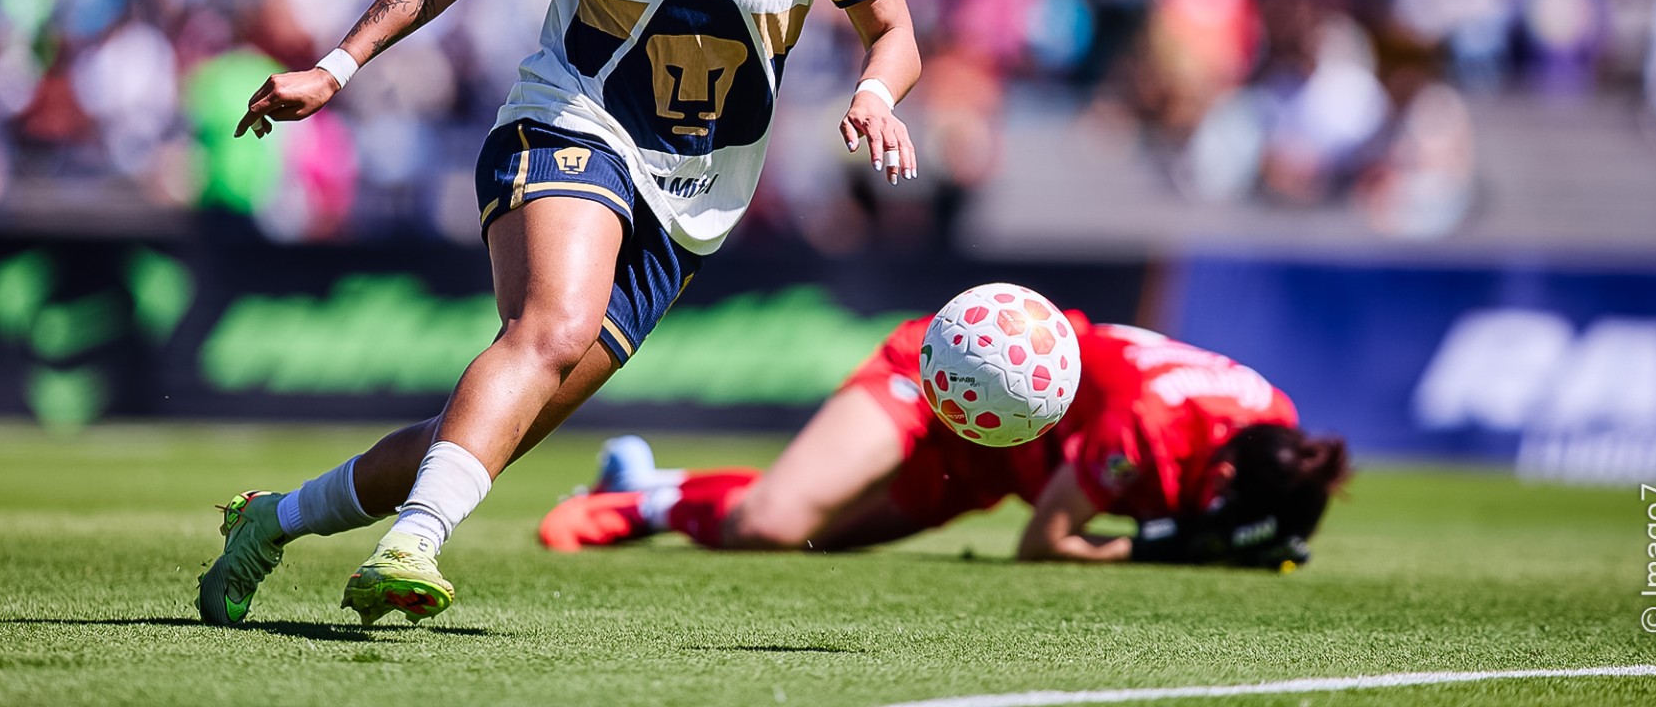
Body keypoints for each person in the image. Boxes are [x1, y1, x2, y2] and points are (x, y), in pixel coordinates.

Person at [196, 0, 922, 627]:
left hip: (692, 203)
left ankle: (271, 520)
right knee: (553, 327)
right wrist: (337, 65)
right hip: (567, 126)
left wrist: (877, 91)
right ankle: (414, 542)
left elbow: (896, 33)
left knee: (485, 431)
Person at [539, 313, 1349, 570]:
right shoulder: (1147, 428)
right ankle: (639, 504)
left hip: (995, 462)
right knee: (771, 525)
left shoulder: (1273, 420)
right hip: (955, 382)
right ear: (1223, 476)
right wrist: (1160, 548)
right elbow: (1045, 541)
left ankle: (652, 479)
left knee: (810, 536)